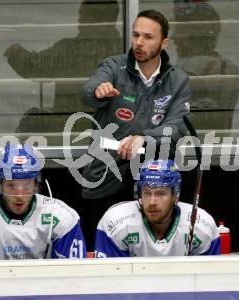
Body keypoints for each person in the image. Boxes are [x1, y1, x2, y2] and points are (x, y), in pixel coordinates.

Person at [81, 10, 190, 249]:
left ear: (164, 43)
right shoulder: (114, 66)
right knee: (103, 254)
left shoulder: (178, 80)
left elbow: (177, 127)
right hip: (106, 178)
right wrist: (98, 90)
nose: (139, 43)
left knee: (151, 251)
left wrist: (144, 138)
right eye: (135, 35)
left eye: (148, 37)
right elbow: (89, 90)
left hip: (153, 183)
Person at [0, 143, 86, 260]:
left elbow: (75, 276)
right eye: (12, 186)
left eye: (26, 186)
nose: (19, 195)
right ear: (0, 184)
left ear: (35, 184)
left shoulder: (62, 216)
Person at [4, 0, 122, 133]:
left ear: (95, 18)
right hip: (110, 136)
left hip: (71, 132)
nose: (79, 19)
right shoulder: (124, 50)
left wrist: (14, 51)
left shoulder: (70, 49)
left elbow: (35, 67)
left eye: (82, 14)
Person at [94, 159, 220, 257]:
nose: (152, 202)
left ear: (175, 195)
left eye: (160, 193)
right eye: (147, 193)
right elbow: (111, 283)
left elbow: (208, 284)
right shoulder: (116, 224)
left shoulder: (202, 227)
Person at [172, 2, 239, 129]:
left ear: (196, 33)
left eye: (179, 30)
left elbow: (217, 119)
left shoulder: (224, 69)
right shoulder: (176, 68)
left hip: (207, 145)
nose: (174, 37)